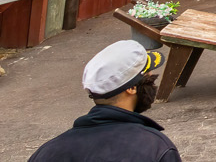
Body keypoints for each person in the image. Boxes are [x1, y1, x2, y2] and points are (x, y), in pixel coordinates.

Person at [28, 40, 179, 162]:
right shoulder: (155, 147)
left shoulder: (46, 153)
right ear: (132, 88)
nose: (152, 78)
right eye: (148, 74)